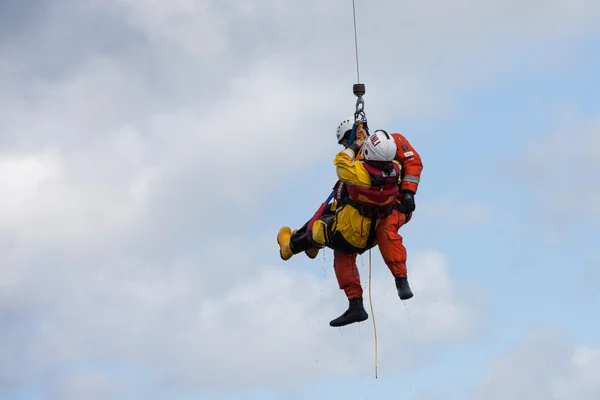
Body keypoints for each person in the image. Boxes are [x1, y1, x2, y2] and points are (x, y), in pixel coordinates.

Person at [277, 127, 401, 327]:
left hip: (352, 230)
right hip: (373, 232)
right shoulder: (395, 171)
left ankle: (289, 247)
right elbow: (372, 162)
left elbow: (342, 163)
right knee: (341, 251)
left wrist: (355, 145)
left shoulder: (360, 174)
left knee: (320, 228)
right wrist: (365, 142)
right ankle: (356, 305)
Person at [335, 117, 423, 301]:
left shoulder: (389, 143)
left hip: (395, 204)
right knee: (341, 244)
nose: (346, 144)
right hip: (365, 213)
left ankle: (401, 279)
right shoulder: (357, 159)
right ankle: (355, 302)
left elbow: (412, 161)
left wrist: (408, 192)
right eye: (345, 142)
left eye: (347, 139)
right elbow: (343, 188)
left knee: (386, 230)